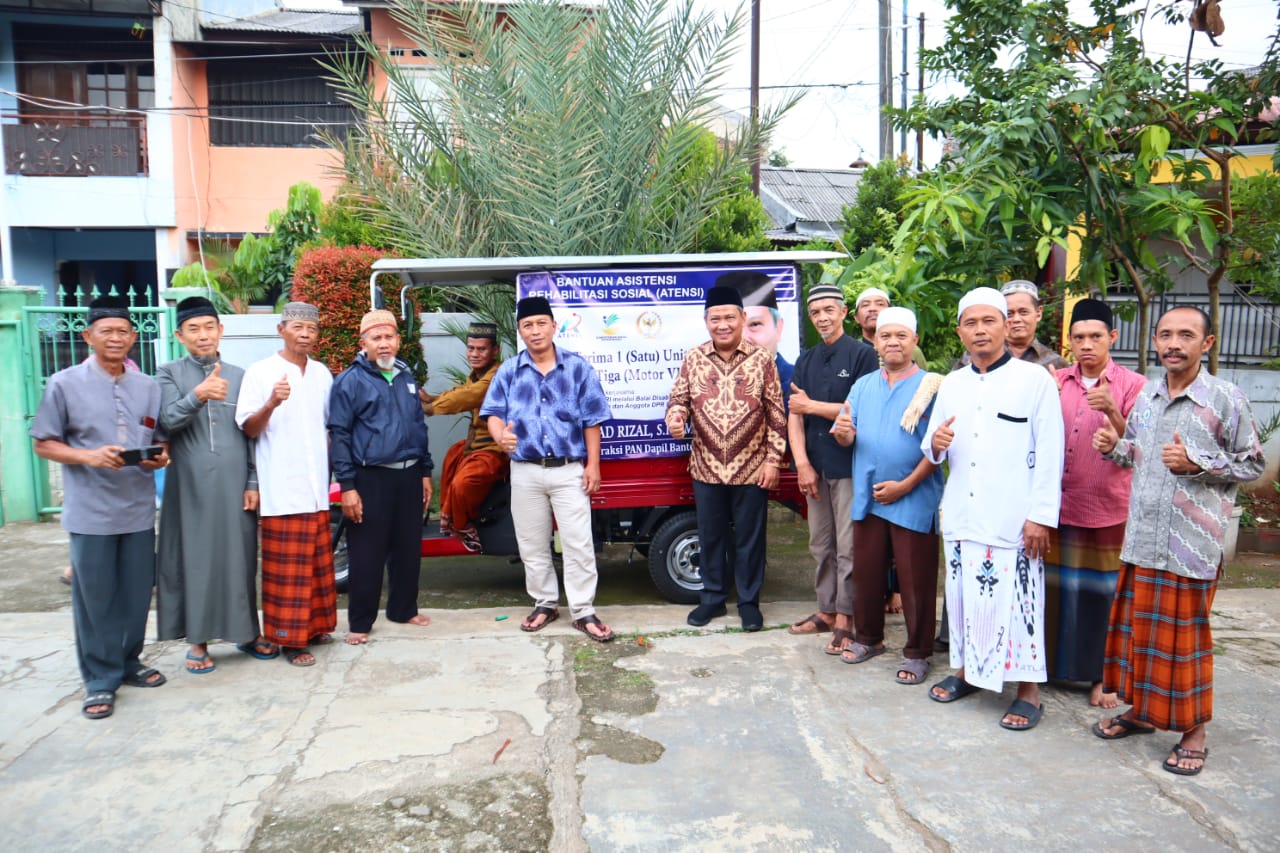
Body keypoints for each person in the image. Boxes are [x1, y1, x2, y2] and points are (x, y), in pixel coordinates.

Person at [1091, 306, 1263, 776]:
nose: (1173, 343)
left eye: (1186, 335)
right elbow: (1141, 458)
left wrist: (1199, 463)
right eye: (1165, 334)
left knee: (1184, 646)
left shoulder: (1225, 399)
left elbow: (1253, 466)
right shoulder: (1147, 396)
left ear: (1206, 344)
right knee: (1139, 639)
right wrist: (1116, 448)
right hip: (1142, 539)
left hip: (1190, 546)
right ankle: (1141, 713)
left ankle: (1194, 733)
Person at [922, 287, 1064, 730]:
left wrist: (1040, 516)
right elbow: (931, 443)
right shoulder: (953, 384)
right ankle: (967, 671)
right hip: (963, 515)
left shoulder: (1034, 380)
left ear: (1007, 325)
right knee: (964, 600)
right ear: (960, 330)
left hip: (1014, 517)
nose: (980, 330)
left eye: (989, 321)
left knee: (1020, 601)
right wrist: (936, 445)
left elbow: (1052, 452)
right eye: (971, 323)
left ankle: (1028, 692)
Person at [30, 295, 170, 719]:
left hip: (137, 509)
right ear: (88, 336)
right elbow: (43, 443)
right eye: (105, 331)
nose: (115, 338)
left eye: (122, 331)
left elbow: (158, 441)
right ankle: (100, 679)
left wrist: (158, 457)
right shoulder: (64, 383)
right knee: (94, 599)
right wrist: (89, 456)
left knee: (133, 594)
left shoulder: (147, 387)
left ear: (134, 336)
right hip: (90, 512)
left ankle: (129, 662)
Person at [480, 296, 616, 642]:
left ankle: (584, 610)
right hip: (525, 470)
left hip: (569, 469)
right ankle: (545, 603)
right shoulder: (509, 370)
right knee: (531, 544)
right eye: (528, 325)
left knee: (578, 544)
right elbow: (493, 413)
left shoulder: (577, 368)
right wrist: (501, 436)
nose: (535, 330)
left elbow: (592, 420)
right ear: (520, 330)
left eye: (541, 323)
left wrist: (593, 464)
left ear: (554, 326)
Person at [156, 296, 275, 674]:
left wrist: (253, 480)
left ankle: (245, 632)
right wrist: (198, 395)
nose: (203, 335)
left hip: (236, 484)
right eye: (194, 329)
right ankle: (198, 641)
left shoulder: (242, 376)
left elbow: (253, 435)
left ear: (221, 330)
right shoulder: (168, 373)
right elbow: (165, 422)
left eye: (209, 327)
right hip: (189, 487)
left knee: (240, 559)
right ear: (180, 335)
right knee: (195, 562)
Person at [832, 307, 945, 683]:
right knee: (866, 573)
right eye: (885, 336)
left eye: (900, 336)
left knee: (916, 578)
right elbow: (846, 434)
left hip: (913, 495)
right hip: (869, 495)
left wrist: (906, 485)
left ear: (914, 341)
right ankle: (868, 638)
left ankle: (917, 651)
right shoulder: (863, 385)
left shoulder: (933, 386)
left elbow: (938, 449)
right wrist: (844, 433)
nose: (892, 342)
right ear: (876, 342)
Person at [1044, 299, 1146, 707]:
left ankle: (1100, 678)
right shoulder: (1056, 381)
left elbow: (1141, 445)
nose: (1087, 345)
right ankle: (1050, 668)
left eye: (1096, 337)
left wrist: (1113, 417)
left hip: (1106, 507)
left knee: (1100, 598)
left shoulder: (1133, 385)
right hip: (1057, 506)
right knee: (1054, 593)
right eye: (1079, 337)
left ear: (1112, 338)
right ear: (1069, 341)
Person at [666, 285, 786, 631]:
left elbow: (777, 413)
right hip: (706, 466)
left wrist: (773, 461)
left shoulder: (762, 359)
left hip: (752, 466)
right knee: (711, 535)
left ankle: (749, 603)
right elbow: (679, 400)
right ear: (706, 321)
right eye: (715, 318)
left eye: (729, 317)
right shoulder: (693, 358)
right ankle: (714, 599)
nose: (722, 324)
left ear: (742, 319)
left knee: (750, 538)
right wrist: (675, 418)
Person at [235, 302, 337, 667]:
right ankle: (289, 640)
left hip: (316, 485)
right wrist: (272, 403)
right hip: (281, 484)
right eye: (297, 327)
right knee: (286, 571)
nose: (305, 335)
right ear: (281, 330)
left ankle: (316, 627)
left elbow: (329, 427)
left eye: (311, 329)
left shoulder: (323, 373)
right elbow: (248, 427)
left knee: (317, 565)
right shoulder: (261, 372)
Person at [328, 309, 435, 645]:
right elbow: (340, 434)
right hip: (369, 478)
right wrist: (347, 487)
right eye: (377, 338)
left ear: (398, 341)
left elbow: (418, 426)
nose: (384, 344)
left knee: (407, 548)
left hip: (409, 475)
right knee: (367, 553)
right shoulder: (350, 381)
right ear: (364, 343)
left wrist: (425, 472)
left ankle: (404, 608)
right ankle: (360, 621)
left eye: (389, 337)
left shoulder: (405, 376)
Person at [785, 282, 878, 653]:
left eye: (829, 310)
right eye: (816, 312)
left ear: (843, 312)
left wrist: (813, 407)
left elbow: (861, 412)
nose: (822, 317)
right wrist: (802, 463)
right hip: (816, 466)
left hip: (849, 465)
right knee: (820, 543)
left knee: (849, 546)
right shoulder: (806, 360)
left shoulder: (862, 356)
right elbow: (794, 414)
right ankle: (825, 610)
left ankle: (846, 617)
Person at [421, 322, 508, 552]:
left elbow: (471, 396)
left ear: (495, 351)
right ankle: (448, 520)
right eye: (471, 348)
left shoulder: (497, 374)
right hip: (476, 445)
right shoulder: (477, 374)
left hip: (495, 449)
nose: (475, 354)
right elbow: (462, 391)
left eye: (481, 349)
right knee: (452, 456)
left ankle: (464, 526)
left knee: (463, 483)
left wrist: (430, 408)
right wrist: (431, 398)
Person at [718, 271, 794, 409]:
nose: (744, 338)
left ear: (778, 328)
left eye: (754, 325)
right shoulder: (707, 383)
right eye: (734, 328)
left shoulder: (799, 381)